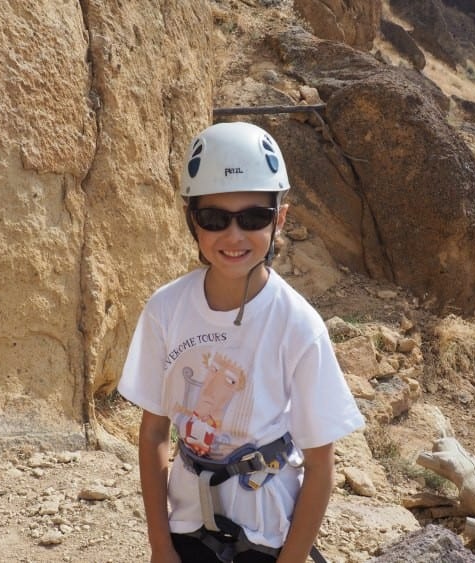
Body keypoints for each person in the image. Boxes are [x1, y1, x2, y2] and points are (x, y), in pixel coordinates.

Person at [118, 121, 365, 563]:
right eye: (215, 219)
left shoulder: (298, 326)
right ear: (192, 221)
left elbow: (320, 466)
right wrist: (160, 547)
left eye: (254, 218)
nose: (234, 236)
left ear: (280, 219)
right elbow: (155, 430)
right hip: (187, 525)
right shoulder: (165, 310)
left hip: (266, 533)